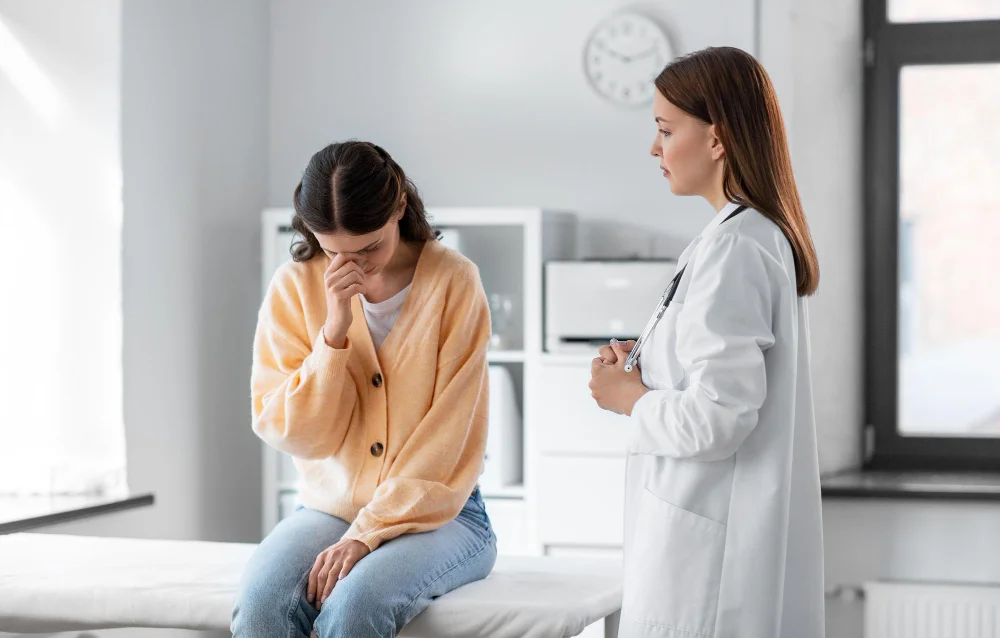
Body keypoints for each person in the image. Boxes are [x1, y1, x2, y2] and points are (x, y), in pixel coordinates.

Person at [588, 46, 824, 638]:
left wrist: (630, 400)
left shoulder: (737, 246)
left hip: (707, 562)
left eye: (666, 130)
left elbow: (719, 417)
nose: (654, 148)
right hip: (700, 539)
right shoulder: (730, 238)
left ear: (716, 139)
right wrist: (638, 372)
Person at [232, 141, 497, 638]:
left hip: (442, 514)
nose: (355, 265)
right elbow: (298, 434)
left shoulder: (455, 282)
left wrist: (367, 535)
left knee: (356, 607)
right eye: (334, 252)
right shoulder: (294, 287)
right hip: (330, 509)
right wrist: (333, 333)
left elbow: (444, 442)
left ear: (399, 206)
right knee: (263, 605)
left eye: (370, 247)